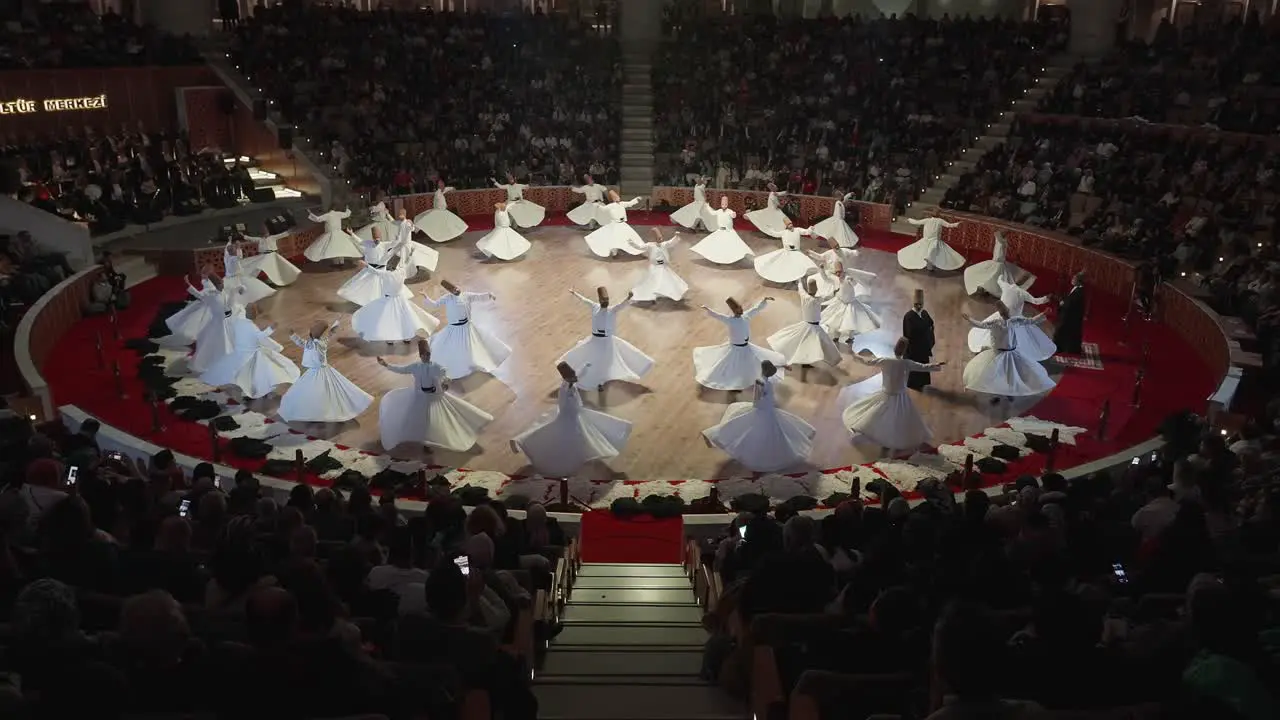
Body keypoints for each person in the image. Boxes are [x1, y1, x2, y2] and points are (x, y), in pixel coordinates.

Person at [512, 361, 633, 477]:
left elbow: (579, 374)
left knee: (587, 435)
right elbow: (565, 404)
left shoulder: (571, 382)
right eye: (572, 376)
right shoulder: (565, 389)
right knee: (576, 438)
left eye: (574, 374)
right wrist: (573, 412)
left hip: (575, 415)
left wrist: (586, 366)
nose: (575, 377)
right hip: (569, 417)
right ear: (566, 377)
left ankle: (583, 454)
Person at [377, 340, 493, 454]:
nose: (426, 357)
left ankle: (433, 440)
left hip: (433, 398)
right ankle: (421, 439)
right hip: (420, 397)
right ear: (420, 356)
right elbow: (401, 369)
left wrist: (445, 382)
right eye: (424, 355)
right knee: (419, 419)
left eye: (428, 355)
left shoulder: (436, 367)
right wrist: (385, 365)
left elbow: (445, 374)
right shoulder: (415, 367)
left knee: (432, 420)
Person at [702, 360, 815, 472]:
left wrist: (783, 366)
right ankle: (715, 434)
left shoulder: (764, 378)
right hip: (764, 410)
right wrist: (763, 406)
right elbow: (757, 399)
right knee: (755, 430)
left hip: (768, 409)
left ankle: (716, 434)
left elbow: (767, 366)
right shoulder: (761, 382)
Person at [843, 341, 945, 450]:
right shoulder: (906, 363)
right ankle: (893, 437)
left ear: (894, 348)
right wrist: (936, 366)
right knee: (900, 418)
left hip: (886, 393)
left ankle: (870, 431)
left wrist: (853, 353)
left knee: (877, 413)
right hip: (900, 395)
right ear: (905, 351)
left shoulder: (885, 361)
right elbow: (923, 367)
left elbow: (867, 362)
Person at [557, 287, 654, 390]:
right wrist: (575, 293)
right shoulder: (595, 307)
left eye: (606, 300)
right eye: (604, 300)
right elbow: (584, 300)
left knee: (603, 363)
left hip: (607, 342)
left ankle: (600, 382)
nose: (605, 302)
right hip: (595, 341)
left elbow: (622, 305)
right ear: (600, 300)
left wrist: (628, 298)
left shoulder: (612, 310)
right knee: (595, 361)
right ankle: (598, 382)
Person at [278, 319, 373, 424]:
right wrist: (293, 335)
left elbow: (309, 343)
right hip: (313, 371)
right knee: (314, 392)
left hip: (318, 372)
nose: (312, 329)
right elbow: (305, 342)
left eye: (315, 328)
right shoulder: (315, 342)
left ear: (317, 332)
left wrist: (294, 336)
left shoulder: (318, 344)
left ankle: (318, 411)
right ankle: (314, 410)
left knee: (318, 392)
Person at [961, 303, 1057, 404]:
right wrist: (970, 319)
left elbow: (1031, 321)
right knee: (996, 374)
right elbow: (981, 325)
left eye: (1006, 311)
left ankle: (1010, 392)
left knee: (1011, 374)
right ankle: (998, 392)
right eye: (1003, 312)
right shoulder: (996, 323)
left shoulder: (1015, 321)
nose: (1006, 313)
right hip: (998, 354)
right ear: (1001, 313)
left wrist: (1043, 313)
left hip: (1011, 354)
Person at [422, 280, 511, 379]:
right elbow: (435, 304)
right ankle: (460, 365)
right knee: (454, 347)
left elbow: (478, 297)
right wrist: (426, 298)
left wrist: (489, 295)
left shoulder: (467, 295)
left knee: (472, 346)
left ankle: (473, 362)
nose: (456, 290)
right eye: (453, 290)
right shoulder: (447, 298)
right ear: (450, 292)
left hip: (467, 327)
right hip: (454, 329)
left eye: (456, 288)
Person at [693, 296, 784, 391]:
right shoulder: (730, 320)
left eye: (740, 307)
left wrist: (764, 300)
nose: (741, 309)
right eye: (738, 308)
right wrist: (707, 309)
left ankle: (749, 378)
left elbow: (756, 309)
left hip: (746, 348)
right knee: (729, 365)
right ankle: (732, 382)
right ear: (734, 311)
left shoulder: (746, 316)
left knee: (751, 363)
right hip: (735, 349)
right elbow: (717, 315)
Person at [199, 317, 300, 400]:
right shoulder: (249, 327)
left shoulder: (240, 325)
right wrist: (271, 329)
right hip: (252, 353)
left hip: (246, 352)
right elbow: (259, 337)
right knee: (260, 371)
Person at [350, 256, 440, 345]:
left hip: (389, 300)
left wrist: (366, 265)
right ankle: (406, 337)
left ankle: (391, 338)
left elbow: (374, 271)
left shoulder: (386, 274)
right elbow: (408, 265)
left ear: (390, 266)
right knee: (405, 318)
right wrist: (411, 257)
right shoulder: (402, 272)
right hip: (401, 299)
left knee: (389, 319)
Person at [968, 277, 1056, 361]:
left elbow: (999, 280)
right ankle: (1003, 353)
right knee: (1013, 338)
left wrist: (1001, 277)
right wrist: (1046, 299)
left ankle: (997, 352)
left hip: (1006, 318)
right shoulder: (1022, 293)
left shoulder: (1006, 286)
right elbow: (1036, 301)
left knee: (997, 334)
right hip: (1013, 319)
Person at [767, 277, 841, 368]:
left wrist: (800, 281)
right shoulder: (817, 300)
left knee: (805, 343)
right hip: (814, 327)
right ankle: (831, 359)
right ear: (816, 289)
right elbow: (827, 296)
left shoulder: (805, 296)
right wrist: (835, 291)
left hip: (806, 325)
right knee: (825, 343)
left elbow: (801, 289)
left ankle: (806, 361)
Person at [337, 226, 413, 307]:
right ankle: (369, 302)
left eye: (378, 239)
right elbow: (359, 241)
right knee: (367, 287)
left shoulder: (384, 245)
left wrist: (399, 237)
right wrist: (352, 233)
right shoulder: (368, 243)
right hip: (370, 270)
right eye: (375, 239)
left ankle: (382, 301)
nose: (377, 241)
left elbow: (394, 243)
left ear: (380, 238)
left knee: (381, 287)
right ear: (373, 238)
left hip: (381, 270)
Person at [189, 273, 248, 373]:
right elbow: (199, 295)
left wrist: (239, 289)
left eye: (222, 282)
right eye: (220, 283)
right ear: (215, 285)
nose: (222, 285)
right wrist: (189, 286)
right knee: (220, 343)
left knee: (234, 341)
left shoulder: (224, 292)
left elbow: (229, 303)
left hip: (228, 320)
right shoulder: (211, 296)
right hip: (218, 323)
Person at [820, 263, 882, 344]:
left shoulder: (848, 278)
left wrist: (852, 280)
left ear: (843, 271)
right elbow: (826, 279)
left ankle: (850, 337)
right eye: (836, 272)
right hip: (840, 302)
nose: (838, 274)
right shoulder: (835, 279)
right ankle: (836, 336)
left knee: (851, 321)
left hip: (850, 303)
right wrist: (822, 270)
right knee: (836, 320)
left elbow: (854, 283)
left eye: (839, 272)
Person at [963, 229, 1033, 297]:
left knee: (994, 279)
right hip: (998, 263)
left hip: (998, 264)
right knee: (997, 279)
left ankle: (982, 288)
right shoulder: (1001, 243)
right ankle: (983, 288)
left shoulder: (1001, 243)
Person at [628, 227, 688, 303]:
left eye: (661, 237)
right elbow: (640, 247)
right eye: (658, 238)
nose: (661, 239)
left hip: (663, 266)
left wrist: (676, 236)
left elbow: (671, 242)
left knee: (668, 280)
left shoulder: (663, 245)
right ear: (654, 238)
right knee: (653, 281)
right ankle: (651, 295)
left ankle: (667, 292)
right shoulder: (650, 245)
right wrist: (632, 243)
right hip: (655, 267)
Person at [690, 195, 753, 265]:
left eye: (725, 204)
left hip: (728, 231)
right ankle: (718, 258)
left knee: (732, 245)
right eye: (722, 204)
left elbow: (733, 216)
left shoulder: (729, 211)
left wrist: (733, 214)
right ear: (721, 204)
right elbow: (712, 213)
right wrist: (707, 207)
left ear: (727, 204)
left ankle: (732, 257)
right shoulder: (719, 211)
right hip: (720, 231)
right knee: (717, 245)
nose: (724, 205)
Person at [753, 218, 819, 284]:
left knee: (798, 265)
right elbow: (774, 234)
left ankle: (797, 278)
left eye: (791, 223)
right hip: (787, 252)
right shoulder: (783, 233)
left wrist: (810, 229)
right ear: (786, 226)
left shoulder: (797, 230)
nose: (790, 225)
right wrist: (770, 229)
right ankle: (792, 277)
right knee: (789, 266)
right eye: (788, 224)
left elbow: (806, 232)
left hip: (796, 252)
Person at [584, 190, 646, 258]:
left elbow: (630, 203)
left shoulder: (622, 204)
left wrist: (636, 199)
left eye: (617, 196)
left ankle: (639, 250)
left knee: (631, 236)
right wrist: (596, 205)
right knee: (614, 239)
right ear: (613, 199)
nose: (617, 198)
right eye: (615, 197)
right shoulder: (611, 206)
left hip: (623, 224)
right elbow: (602, 209)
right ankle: (614, 254)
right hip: (615, 225)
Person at [898, 212, 965, 272]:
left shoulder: (928, 220)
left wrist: (909, 219)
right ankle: (930, 265)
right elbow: (949, 225)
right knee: (934, 252)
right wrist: (957, 224)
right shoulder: (939, 221)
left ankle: (929, 265)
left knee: (925, 251)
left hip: (928, 240)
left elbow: (916, 222)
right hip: (933, 241)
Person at [222, 239, 276, 304]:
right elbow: (240, 257)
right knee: (242, 290)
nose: (236, 250)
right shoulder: (233, 258)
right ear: (232, 252)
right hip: (236, 278)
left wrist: (229, 240)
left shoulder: (226, 256)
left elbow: (226, 249)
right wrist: (239, 247)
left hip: (228, 278)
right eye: (234, 249)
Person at [165, 274, 217, 343]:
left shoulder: (212, 290)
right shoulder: (210, 284)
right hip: (203, 303)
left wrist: (188, 284)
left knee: (192, 325)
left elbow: (200, 295)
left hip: (206, 306)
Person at [903, 289, 936, 391]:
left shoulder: (924, 313)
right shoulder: (908, 316)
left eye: (920, 304)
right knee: (916, 368)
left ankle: (923, 383)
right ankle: (914, 385)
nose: (919, 306)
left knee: (924, 366)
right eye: (917, 304)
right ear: (914, 303)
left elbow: (931, 323)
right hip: (915, 348)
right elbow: (908, 334)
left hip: (923, 347)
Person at [1054, 272, 1087, 355]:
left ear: (1078, 281)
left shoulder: (1079, 291)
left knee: (1060, 330)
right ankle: (1067, 348)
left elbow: (1072, 304)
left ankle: (1058, 348)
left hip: (1070, 316)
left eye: (1074, 279)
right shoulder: (1076, 289)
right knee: (1067, 332)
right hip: (1069, 315)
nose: (1072, 280)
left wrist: (1063, 303)